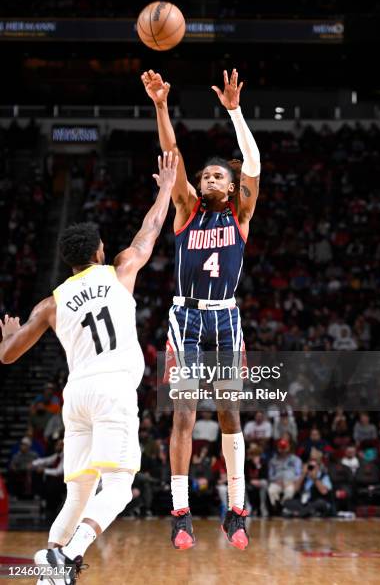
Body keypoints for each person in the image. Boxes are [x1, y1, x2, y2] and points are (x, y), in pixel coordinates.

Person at [0, 153, 178, 584]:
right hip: (112, 390)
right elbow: (148, 232)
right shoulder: (120, 270)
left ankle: (50, 574)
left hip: (75, 395)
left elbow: (7, 356)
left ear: (68, 262)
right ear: (98, 252)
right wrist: (166, 190)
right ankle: (70, 554)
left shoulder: (51, 302)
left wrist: (9, 332)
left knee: (78, 492)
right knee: (119, 487)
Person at [142, 67, 260, 550]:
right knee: (184, 413)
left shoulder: (242, 213)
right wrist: (160, 105)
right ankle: (180, 512)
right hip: (187, 319)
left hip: (226, 319)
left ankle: (237, 510)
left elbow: (252, 162)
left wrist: (234, 111)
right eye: (204, 174)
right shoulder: (187, 209)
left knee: (230, 412)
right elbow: (173, 155)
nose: (208, 177)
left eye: (218, 175)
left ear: (231, 188)